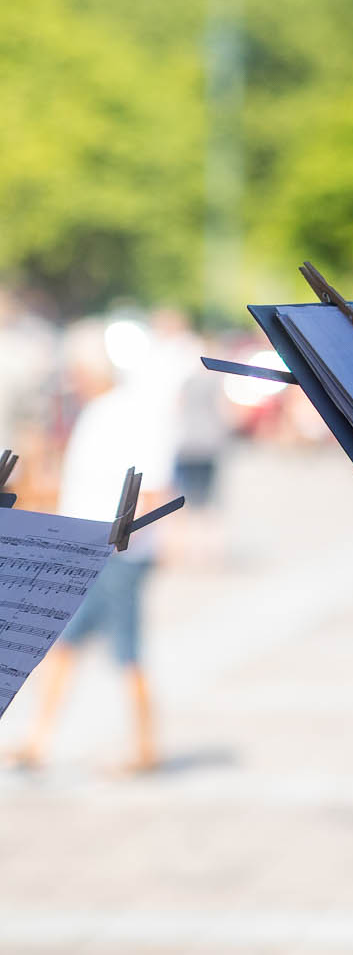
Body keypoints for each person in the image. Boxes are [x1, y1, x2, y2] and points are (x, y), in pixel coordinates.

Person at [8, 320, 177, 774]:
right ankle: (38, 740)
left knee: (126, 650)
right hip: (86, 551)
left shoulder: (132, 413)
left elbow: (156, 487)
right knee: (65, 643)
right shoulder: (97, 411)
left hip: (117, 554)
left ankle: (146, 747)